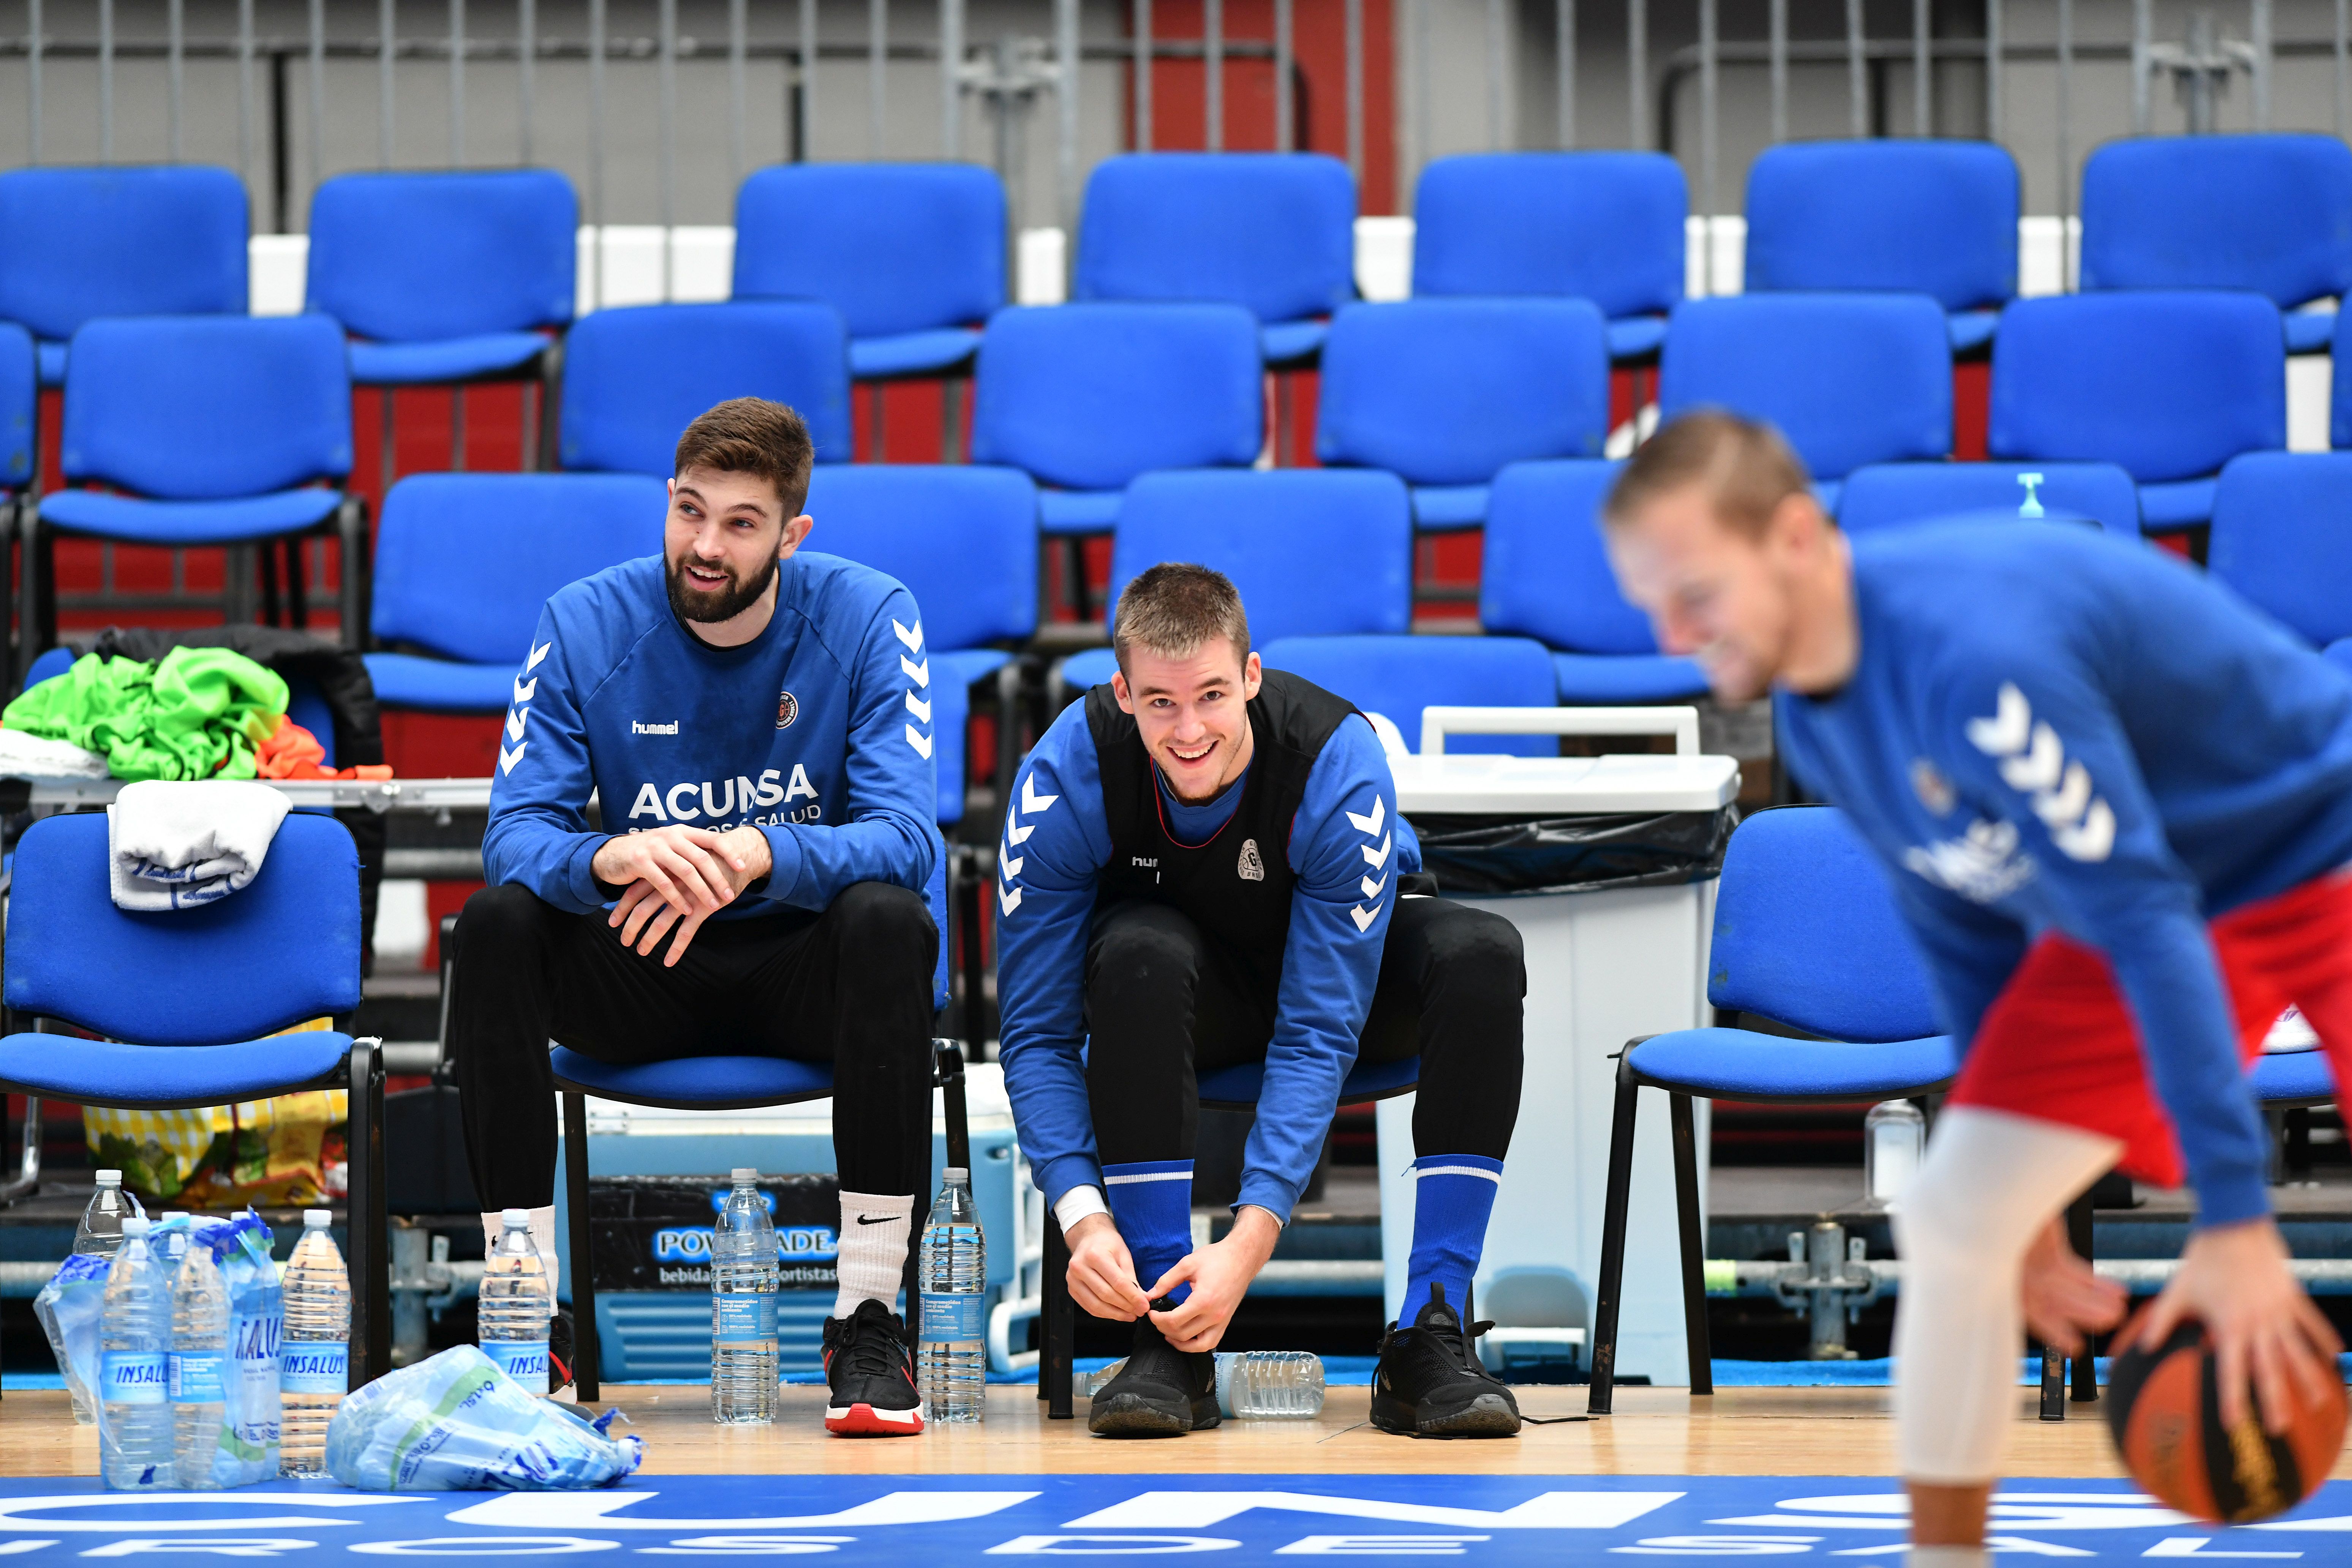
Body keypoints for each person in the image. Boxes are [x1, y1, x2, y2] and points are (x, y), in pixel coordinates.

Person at [1600, 409, 2352, 1565]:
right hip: (2160, 898)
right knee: (1960, 1215)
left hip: (2314, 850)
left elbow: (2146, 919)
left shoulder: (1976, 659)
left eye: (1693, 592)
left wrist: (2240, 1220)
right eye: (1651, 602)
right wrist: (2034, 1216)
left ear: (1795, 538)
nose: (1671, 632)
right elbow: (1968, 924)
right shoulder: (1818, 704)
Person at [449, 397, 942, 1436]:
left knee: (892, 920)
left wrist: (765, 853)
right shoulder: (583, 622)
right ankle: (521, 1307)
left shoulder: (868, 614)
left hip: (802, 974)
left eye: (740, 523)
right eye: (688, 511)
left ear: (792, 536)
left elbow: (909, 838)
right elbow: (514, 833)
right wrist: (609, 854)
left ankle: (866, 1318)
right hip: (643, 963)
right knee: (494, 924)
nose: (705, 546)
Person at [996, 563, 1528, 1438]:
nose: (1191, 727)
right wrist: (1080, 1216)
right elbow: (1037, 1033)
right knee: (1138, 949)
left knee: (1479, 955)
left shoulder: (1333, 761)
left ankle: (1431, 1327)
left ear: (1251, 675)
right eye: (1161, 703)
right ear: (1123, 694)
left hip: (1328, 990)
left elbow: (1319, 1031)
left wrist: (1250, 1241)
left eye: (1211, 693)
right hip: (1177, 1000)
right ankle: (1168, 1336)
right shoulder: (1069, 772)